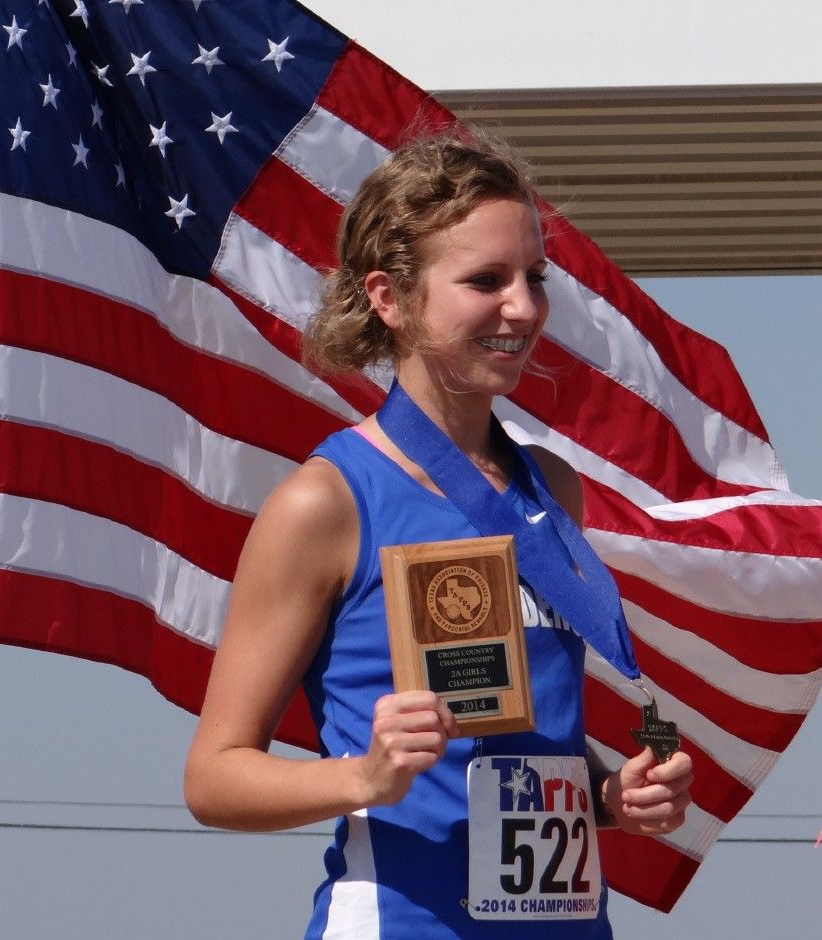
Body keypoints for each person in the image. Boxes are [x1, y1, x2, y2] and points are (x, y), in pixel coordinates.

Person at [184, 130, 693, 937]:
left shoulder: (550, 486)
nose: (522, 308)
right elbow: (213, 780)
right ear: (389, 297)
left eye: (534, 278)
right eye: (485, 281)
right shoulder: (326, 502)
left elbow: (514, 747)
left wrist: (609, 797)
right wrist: (364, 778)